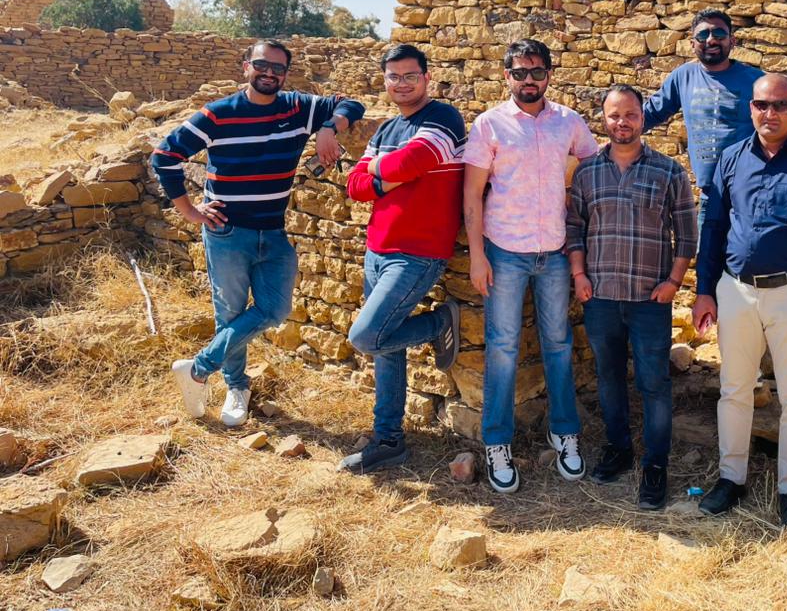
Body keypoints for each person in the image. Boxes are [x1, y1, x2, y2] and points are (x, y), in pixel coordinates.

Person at [153, 40, 365, 427]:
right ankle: (236, 386)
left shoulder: (299, 108)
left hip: (274, 231)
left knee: (275, 309)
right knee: (230, 313)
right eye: (262, 65)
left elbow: (351, 103)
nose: (269, 73)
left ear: (286, 74)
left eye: (278, 69)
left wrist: (329, 129)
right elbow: (164, 156)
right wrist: (188, 210)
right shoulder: (218, 115)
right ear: (245, 67)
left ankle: (198, 369)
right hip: (228, 232)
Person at [692, 73, 787, 532]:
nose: (770, 113)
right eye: (762, 105)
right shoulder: (731, 160)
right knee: (734, 390)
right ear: (751, 108)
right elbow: (714, 227)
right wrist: (705, 289)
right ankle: (730, 478)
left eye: (780, 104)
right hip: (736, 291)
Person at [462, 38, 599, 493]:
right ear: (506, 76)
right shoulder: (490, 125)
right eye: (519, 72)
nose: (528, 80)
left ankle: (565, 433)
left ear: (549, 76)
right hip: (504, 251)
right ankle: (496, 441)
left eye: (536, 72)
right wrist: (478, 255)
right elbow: (472, 194)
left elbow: (594, 166)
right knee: (502, 347)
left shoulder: (569, 122)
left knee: (558, 343)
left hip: (555, 252)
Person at [566, 85, 697, 510]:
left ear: (643, 117)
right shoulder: (587, 173)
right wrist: (579, 274)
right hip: (600, 296)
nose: (622, 122)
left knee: (654, 383)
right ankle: (618, 449)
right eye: (613, 115)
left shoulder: (668, 171)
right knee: (608, 378)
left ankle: (655, 465)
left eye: (630, 115)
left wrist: (674, 282)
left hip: (648, 300)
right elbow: (574, 228)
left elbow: (687, 235)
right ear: (603, 119)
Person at [340, 44, 467, 474]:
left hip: (417, 253)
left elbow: (418, 159)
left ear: (426, 77)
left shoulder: (443, 118)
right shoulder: (385, 129)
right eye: (393, 77)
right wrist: (386, 178)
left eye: (410, 75)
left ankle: (437, 324)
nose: (401, 83)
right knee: (387, 351)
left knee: (367, 336)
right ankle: (389, 440)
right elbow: (354, 186)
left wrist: (379, 173)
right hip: (377, 249)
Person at [643, 8, 763, 230]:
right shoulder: (683, 77)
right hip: (711, 196)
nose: (711, 40)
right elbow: (651, 113)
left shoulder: (757, 81)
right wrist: (618, 128)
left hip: (752, 195)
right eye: (702, 35)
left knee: (749, 262)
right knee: (706, 261)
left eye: (719, 34)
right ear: (692, 43)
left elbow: (780, 128)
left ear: (732, 40)